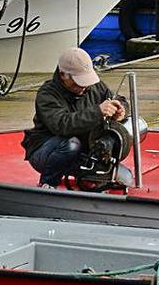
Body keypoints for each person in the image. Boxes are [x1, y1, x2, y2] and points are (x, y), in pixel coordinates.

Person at [21, 47, 128, 188]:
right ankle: (48, 183)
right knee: (71, 144)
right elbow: (62, 125)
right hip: (47, 149)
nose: (84, 86)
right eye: (79, 82)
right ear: (63, 75)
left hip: (84, 149)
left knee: (123, 177)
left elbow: (117, 98)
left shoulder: (94, 87)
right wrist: (98, 112)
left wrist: (121, 109)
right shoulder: (47, 94)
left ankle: (89, 173)